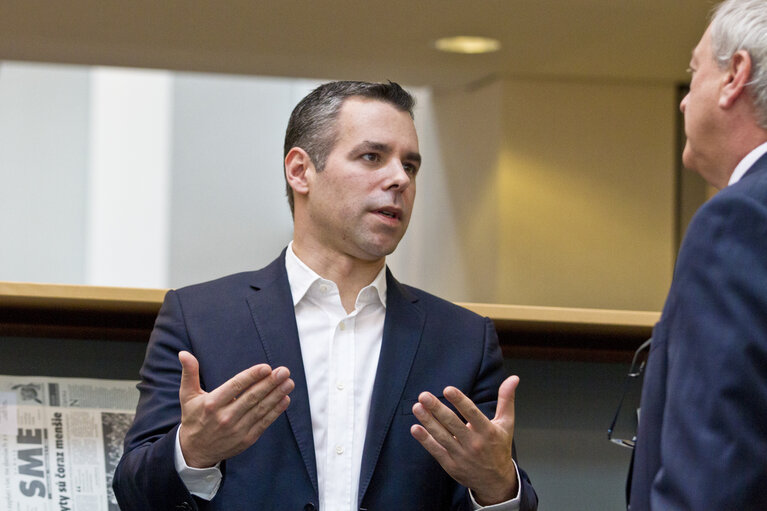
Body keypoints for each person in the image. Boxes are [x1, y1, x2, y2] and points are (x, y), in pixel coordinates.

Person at [113, 81, 538, 511]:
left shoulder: (463, 339)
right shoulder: (199, 318)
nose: (399, 179)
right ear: (300, 171)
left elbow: (499, 492)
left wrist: (497, 485)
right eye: (372, 157)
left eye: (410, 166)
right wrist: (192, 452)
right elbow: (134, 494)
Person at [629, 1, 767, 509]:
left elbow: (713, 471)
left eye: (693, 73)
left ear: (736, 76)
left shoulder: (739, 221)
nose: (684, 102)